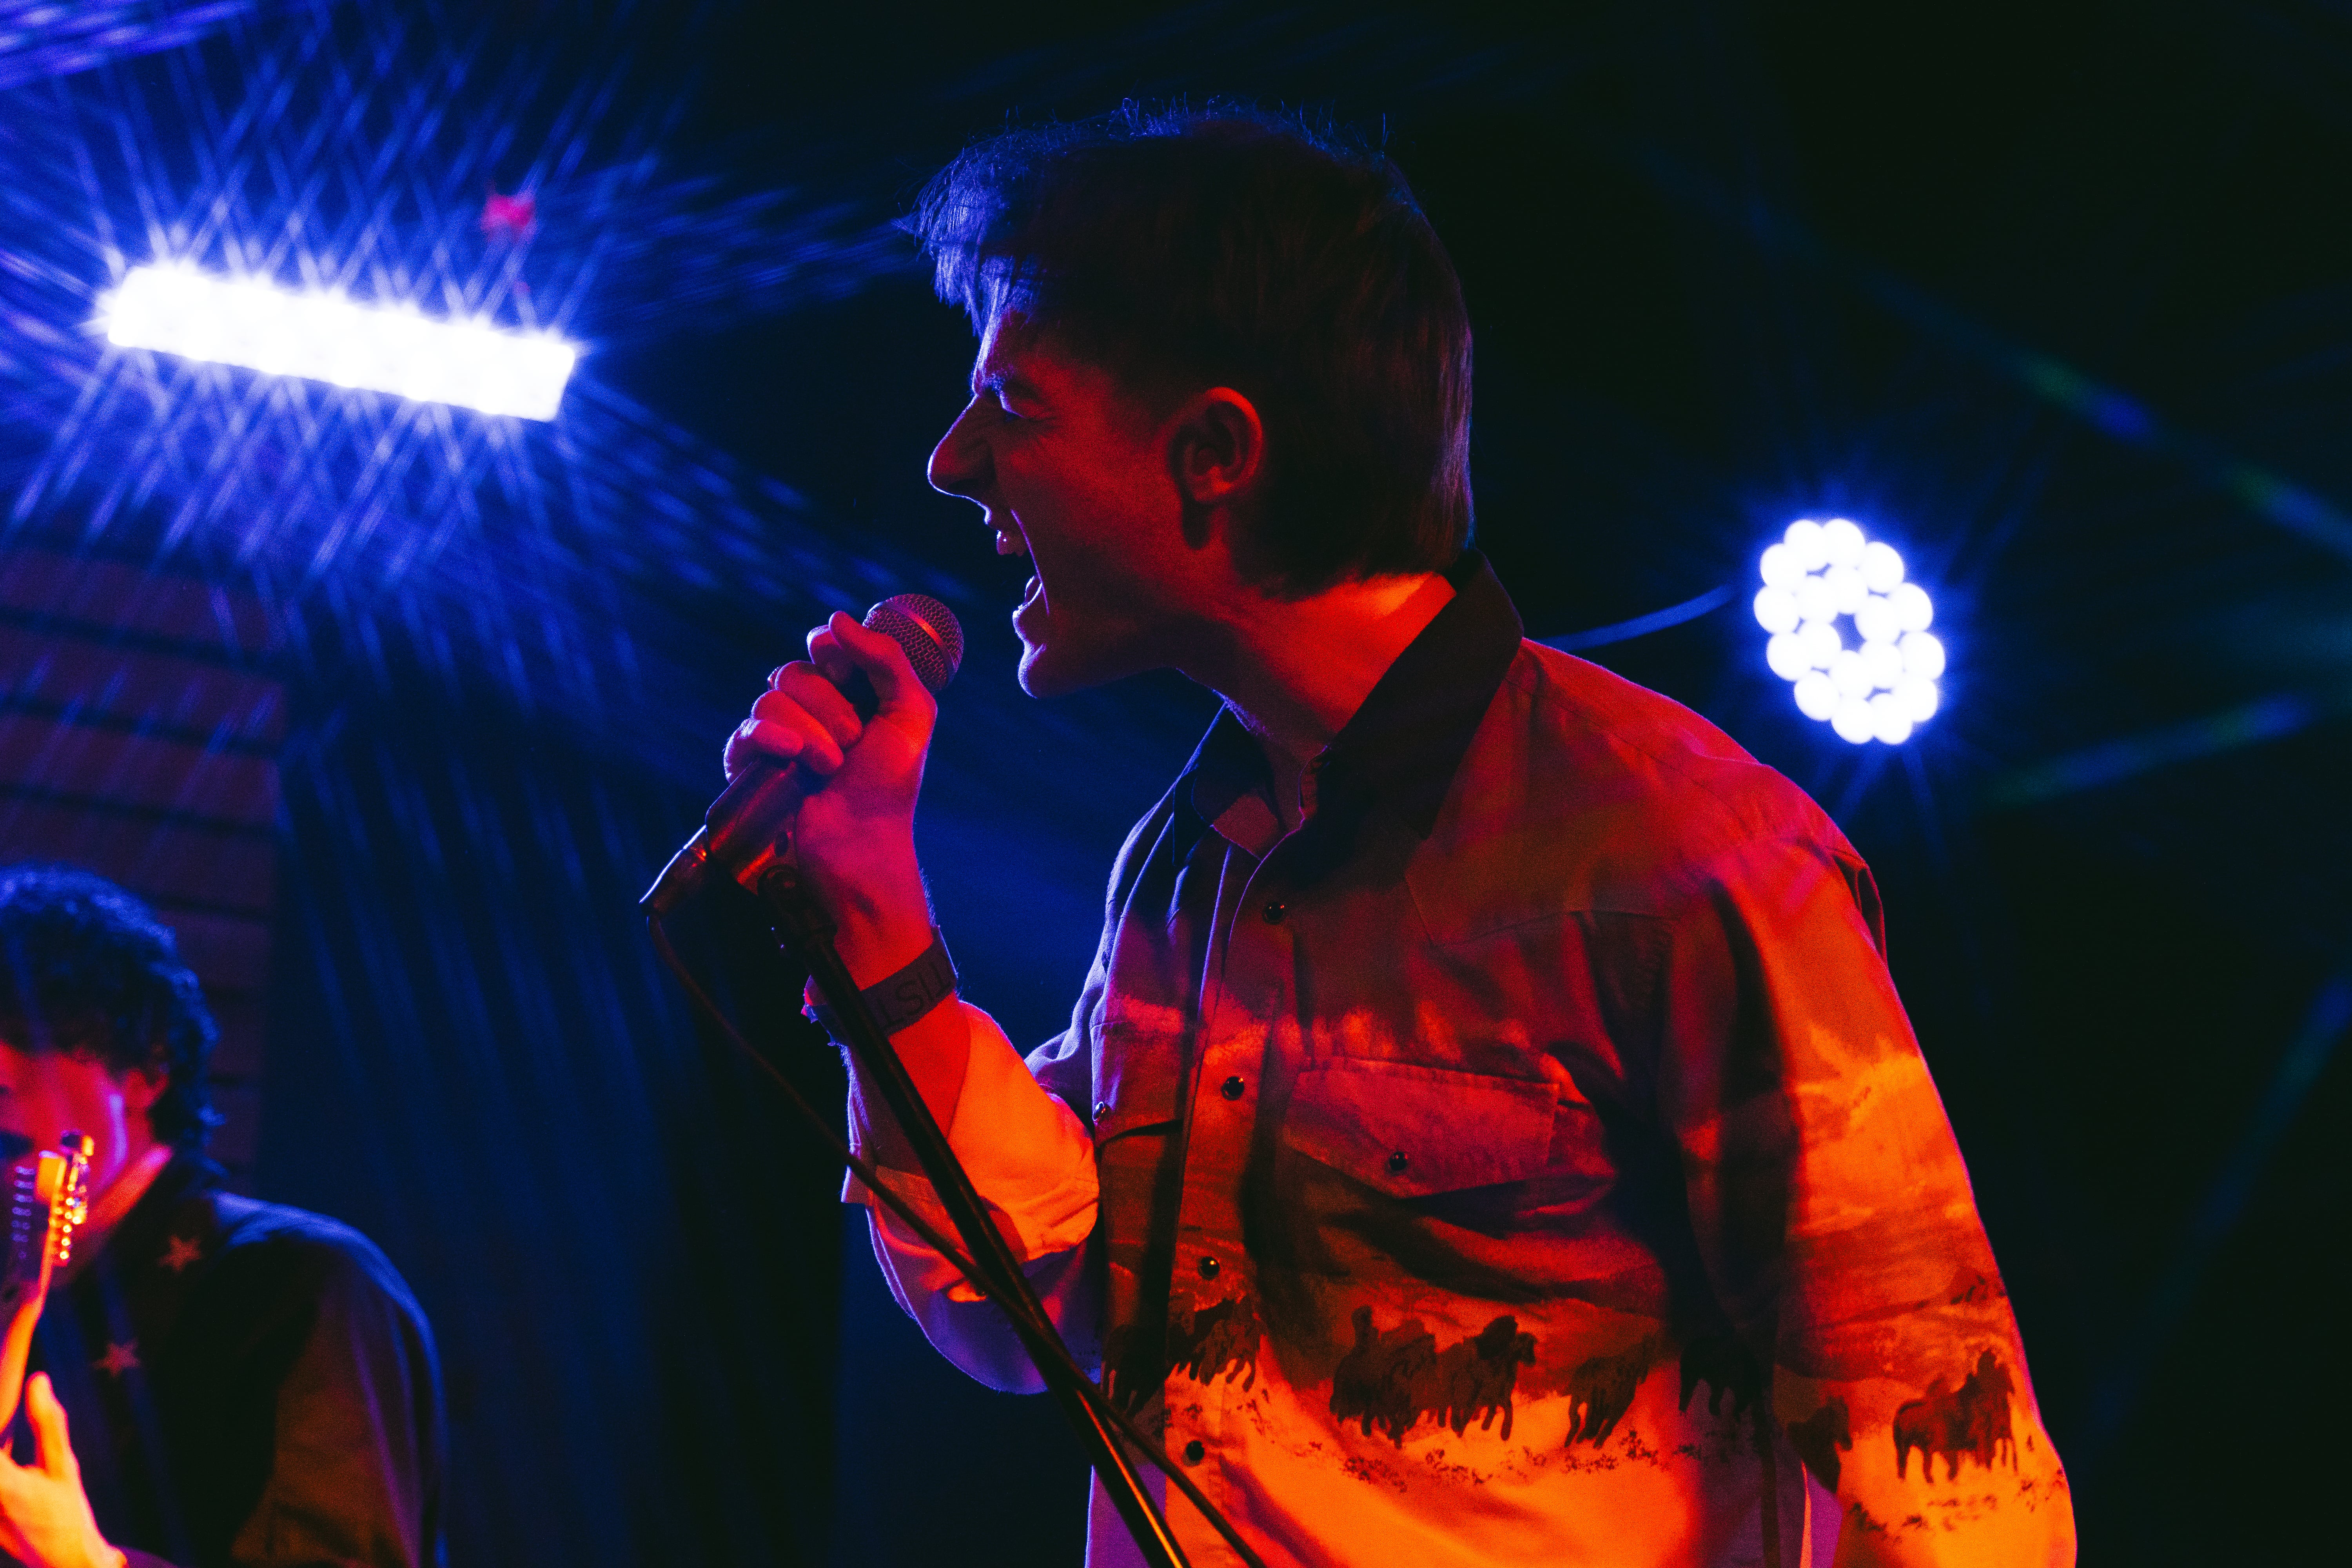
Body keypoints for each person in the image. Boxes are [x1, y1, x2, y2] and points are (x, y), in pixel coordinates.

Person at [729, 107, 2076, 1566]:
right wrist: (872, 911)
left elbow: (1952, 1486)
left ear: (1215, 452)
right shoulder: (1189, 866)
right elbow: (1042, 1296)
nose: (951, 460)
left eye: (1016, 402)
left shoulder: (1683, 855)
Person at [0, 865, 446, 1568]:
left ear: (145, 1073)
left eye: (29, 1040)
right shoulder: (27, 1289)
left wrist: (90, 1563)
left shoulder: (299, 1282)